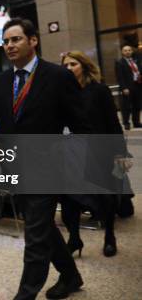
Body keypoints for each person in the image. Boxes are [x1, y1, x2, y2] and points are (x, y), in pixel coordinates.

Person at [0, 18, 91, 299]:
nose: (9, 45)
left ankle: (25, 294)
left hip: (49, 169)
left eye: (16, 39)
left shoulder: (58, 77)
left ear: (33, 40)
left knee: (35, 236)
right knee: (41, 227)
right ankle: (70, 277)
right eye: (6, 41)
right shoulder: (0, 82)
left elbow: (81, 124)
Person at [61, 51, 128, 257]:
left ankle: (109, 236)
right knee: (68, 198)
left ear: (84, 66)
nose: (69, 69)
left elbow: (112, 122)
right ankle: (74, 239)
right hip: (72, 151)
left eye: (73, 64)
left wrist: (121, 153)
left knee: (105, 197)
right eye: (65, 65)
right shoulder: (62, 93)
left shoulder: (99, 90)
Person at [115, 45, 142, 130]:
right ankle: (126, 123)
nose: (128, 52)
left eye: (129, 50)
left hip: (137, 85)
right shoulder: (120, 62)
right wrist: (124, 88)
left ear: (132, 51)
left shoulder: (136, 61)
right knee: (126, 106)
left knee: (137, 105)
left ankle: (136, 122)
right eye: (125, 50)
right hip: (127, 87)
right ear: (122, 52)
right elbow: (119, 77)